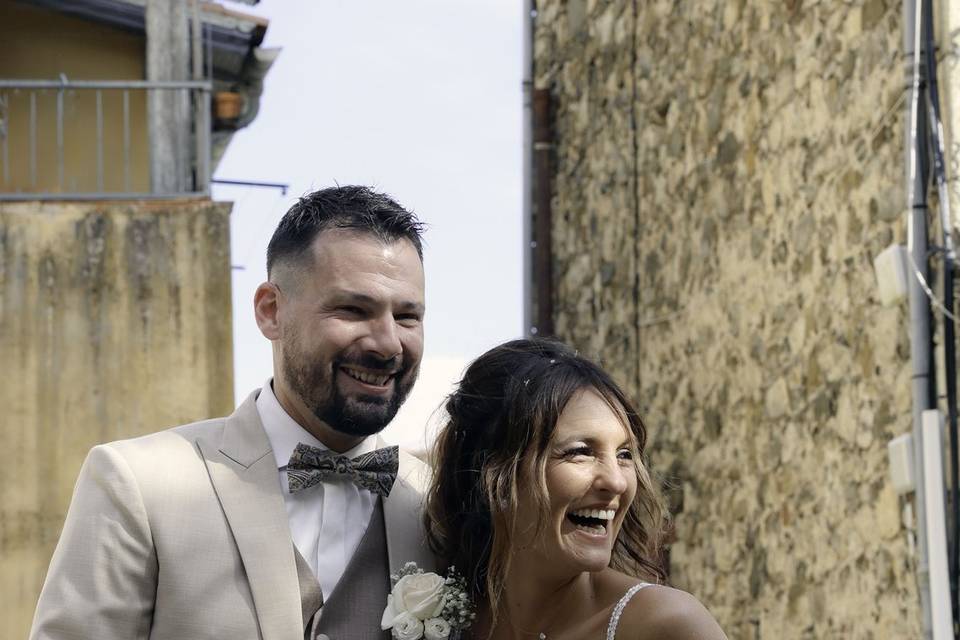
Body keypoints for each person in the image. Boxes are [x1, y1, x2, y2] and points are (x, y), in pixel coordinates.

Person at [30, 185, 435, 640]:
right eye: (353, 309)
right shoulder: (138, 484)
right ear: (270, 311)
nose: (386, 343)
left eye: (406, 317)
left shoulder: (441, 504)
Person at [425, 339, 727, 640]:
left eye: (624, 455)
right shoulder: (441, 618)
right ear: (493, 472)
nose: (616, 482)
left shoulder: (667, 625)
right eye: (580, 451)